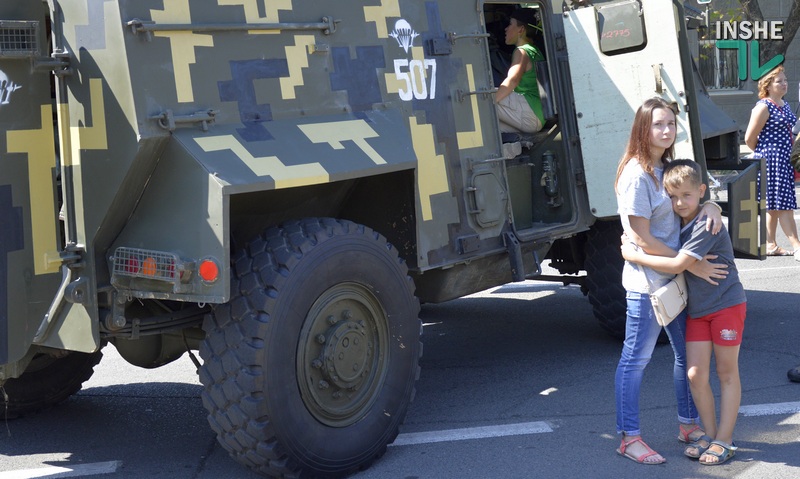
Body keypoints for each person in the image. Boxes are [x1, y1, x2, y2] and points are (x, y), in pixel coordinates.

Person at [613, 97, 727, 465]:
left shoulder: (666, 168)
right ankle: (629, 438)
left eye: (670, 125)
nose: (665, 130)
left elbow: (691, 199)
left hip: (674, 283)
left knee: (685, 357)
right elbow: (641, 238)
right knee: (636, 359)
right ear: (642, 129)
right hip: (647, 285)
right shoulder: (636, 174)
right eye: (657, 124)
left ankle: (687, 424)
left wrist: (713, 206)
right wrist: (687, 266)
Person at [621, 160, 746, 466]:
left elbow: (677, 264)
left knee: (727, 373)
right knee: (695, 374)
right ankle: (711, 434)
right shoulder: (684, 221)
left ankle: (725, 440)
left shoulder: (706, 223)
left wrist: (632, 255)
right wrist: (712, 204)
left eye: (686, 196)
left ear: (701, 191)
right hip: (698, 311)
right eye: (673, 197)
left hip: (726, 306)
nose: (679, 203)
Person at [744, 65, 800, 260]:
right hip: (771, 160)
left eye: (785, 80)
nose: (785, 84)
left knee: (774, 206)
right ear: (768, 85)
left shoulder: (784, 104)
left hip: (784, 159)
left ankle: (770, 244)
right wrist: (767, 154)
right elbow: (750, 138)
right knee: (784, 205)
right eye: (779, 81)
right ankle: (797, 246)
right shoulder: (763, 106)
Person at [493, 8, 544, 134]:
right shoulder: (534, 50)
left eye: (510, 24)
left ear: (521, 30)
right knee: (492, 128)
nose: (506, 29)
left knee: (481, 98)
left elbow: (512, 80)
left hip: (529, 113)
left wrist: (489, 102)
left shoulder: (522, 51)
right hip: (536, 117)